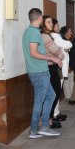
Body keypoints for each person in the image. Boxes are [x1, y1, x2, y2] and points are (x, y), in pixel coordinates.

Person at [22, 8, 61, 138]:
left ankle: (43, 126)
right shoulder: (33, 33)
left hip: (40, 71)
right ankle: (34, 129)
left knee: (51, 95)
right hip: (39, 72)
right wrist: (52, 57)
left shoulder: (29, 31)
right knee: (40, 99)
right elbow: (33, 53)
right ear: (39, 19)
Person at [40, 16, 64, 129]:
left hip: (51, 66)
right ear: (43, 24)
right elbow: (56, 50)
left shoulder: (47, 35)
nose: (51, 24)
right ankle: (48, 119)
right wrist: (60, 54)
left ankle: (49, 118)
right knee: (54, 93)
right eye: (48, 22)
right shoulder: (45, 36)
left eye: (51, 22)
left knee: (53, 93)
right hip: (50, 67)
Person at [50, 19, 71, 124]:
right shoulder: (54, 35)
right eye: (57, 24)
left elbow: (63, 47)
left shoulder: (55, 36)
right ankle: (54, 114)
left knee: (58, 92)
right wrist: (67, 45)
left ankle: (56, 112)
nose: (58, 26)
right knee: (56, 92)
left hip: (61, 67)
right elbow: (67, 45)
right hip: (59, 68)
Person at [58, 26, 74, 106]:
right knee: (66, 81)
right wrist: (68, 66)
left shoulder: (67, 41)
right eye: (70, 31)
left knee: (70, 80)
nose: (71, 33)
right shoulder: (63, 42)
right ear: (65, 33)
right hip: (65, 65)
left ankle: (71, 95)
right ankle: (69, 97)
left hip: (69, 64)